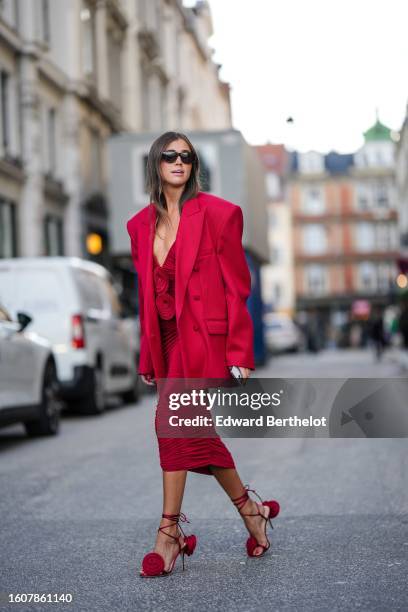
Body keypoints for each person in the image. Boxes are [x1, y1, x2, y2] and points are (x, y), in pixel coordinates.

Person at [126, 131, 280, 577]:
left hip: (203, 340)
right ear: (156, 163)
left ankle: (168, 533)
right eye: (170, 156)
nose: (179, 162)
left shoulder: (219, 214)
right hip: (167, 342)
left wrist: (241, 350)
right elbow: (144, 297)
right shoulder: (138, 226)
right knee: (190, 430)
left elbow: (238, 286)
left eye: (187, 157)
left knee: (169, 423)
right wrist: (146, 358)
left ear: (194, 166)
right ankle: (251, 510)